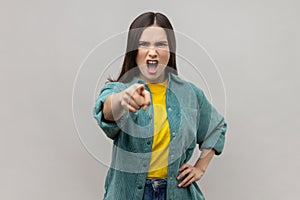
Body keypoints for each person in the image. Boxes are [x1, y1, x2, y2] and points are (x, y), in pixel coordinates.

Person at [93, 12, 227, 200]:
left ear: (171, 49)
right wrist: (122, 100)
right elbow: (106, 109)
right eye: (144, 44)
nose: (153, 51)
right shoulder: (119, 89)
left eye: (161, 44)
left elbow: (216, 127)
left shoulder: (190, 94)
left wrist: (200, 167)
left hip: (177, 193)